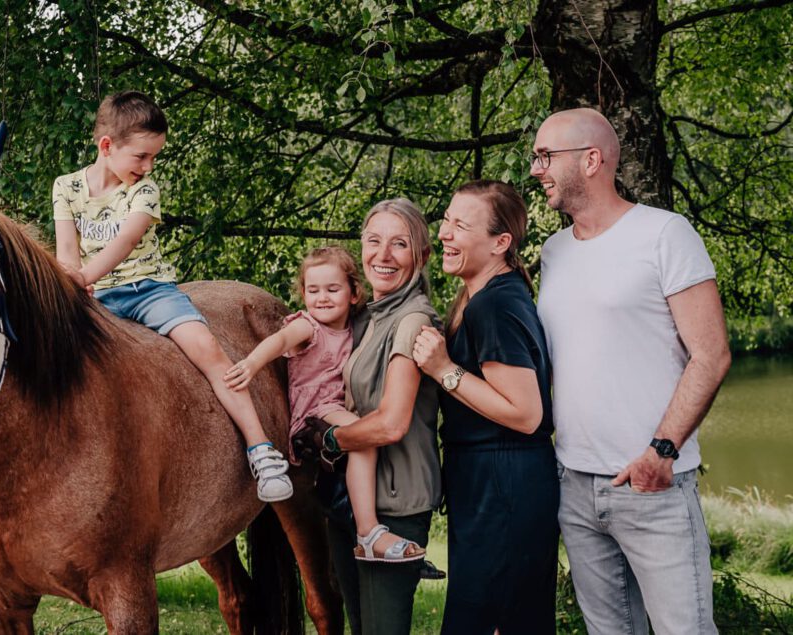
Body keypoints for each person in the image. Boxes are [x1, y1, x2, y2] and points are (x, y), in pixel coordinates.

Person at [531, 108, 731, 635]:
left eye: (546, 156)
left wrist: (662, 452)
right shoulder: (554, 252)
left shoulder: (665, 234)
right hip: (574, 485)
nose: (536, 169)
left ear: (592, 160)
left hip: (652, 488)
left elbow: (711, 355)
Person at [52, 90, 292, 502]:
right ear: (107, 146)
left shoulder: (144, 191)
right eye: (141, 157)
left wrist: (83, 276)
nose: (148, 167)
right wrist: (71, 284)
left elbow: (127, 240)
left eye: (154, 158)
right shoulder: (67, 187)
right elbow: (66, 255)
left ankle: (261, 449)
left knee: (208, 350)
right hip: (95, 298)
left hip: (149, 289)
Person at [413, 180, 559, 634]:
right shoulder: (480, 296)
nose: (444, 234)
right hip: (487, 480)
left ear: (501, 243)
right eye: (446, 221)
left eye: (461, 225)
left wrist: (443, 370)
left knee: (494, 621)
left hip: (505, 484)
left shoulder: (493, 305)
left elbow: (526, 413)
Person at [225, 246, 426, 563]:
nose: (322, 298)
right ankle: (368, 531)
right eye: (312, 290)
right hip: (316, 409)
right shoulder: (309, 326)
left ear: (354, 293)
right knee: (364, 439)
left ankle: (360, 523)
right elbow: (279, 341)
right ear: (303, 293)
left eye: (332, 289)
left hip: (334, 406)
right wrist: (252, 363)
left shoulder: (354, 328)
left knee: (365, 438)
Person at [306, 198, 442, 634]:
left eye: (399, 244)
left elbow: (391, 423)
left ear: (421, 257)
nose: (382, 256)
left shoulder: (414, 320)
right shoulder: (365, 317)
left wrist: (327, 441)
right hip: (351, 501)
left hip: (395, 505)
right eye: (373, 241)